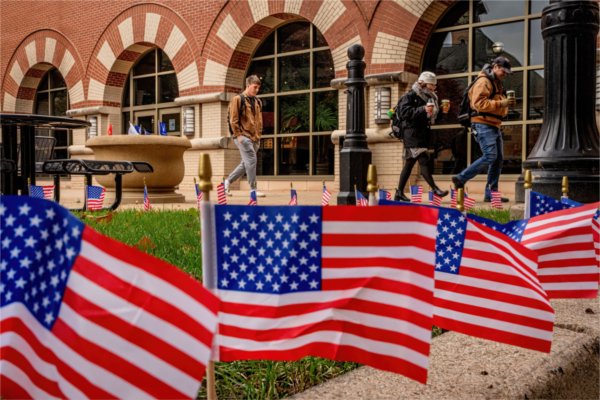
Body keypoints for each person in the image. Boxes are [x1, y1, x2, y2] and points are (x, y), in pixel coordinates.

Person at [452, 56, 515, 202]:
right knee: (490, 155)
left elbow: (495, 102)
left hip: (493, 124)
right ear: (495, 67)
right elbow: (478, 104)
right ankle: (461, 178)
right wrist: (502, 104)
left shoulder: (496, 82)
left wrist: (504, 106)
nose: (505, 74)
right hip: (482, 123)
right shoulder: (484, 81)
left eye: (507, 72)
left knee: (498, 159)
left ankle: (491, 194)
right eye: (503, 71)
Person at [394, 71, 449, 202]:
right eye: (431, 85)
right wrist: (423, 109)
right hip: (411, 134)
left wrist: (441, 111)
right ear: (423, 83)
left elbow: (429, 118)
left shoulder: (430, 98)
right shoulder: (410, 95)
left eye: (434, 86)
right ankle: (435, 189)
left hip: (421, 134)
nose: (433, 88)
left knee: (409, 164)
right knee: (423, 161)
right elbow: (404, 113)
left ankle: (399, 193)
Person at [224, 75, 265, 197]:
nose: (257, 90)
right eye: (255, 87)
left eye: (258, 88)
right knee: (252, 160)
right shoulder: (238, 99)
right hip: (243, 136)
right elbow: (233, 119)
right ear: (248, 86)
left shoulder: (258, 101)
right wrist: (238, 136)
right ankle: (253, 190)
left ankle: (226, 182)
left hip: (255, 137)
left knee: (246, 163)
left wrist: (259, 135)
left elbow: (259, 120)